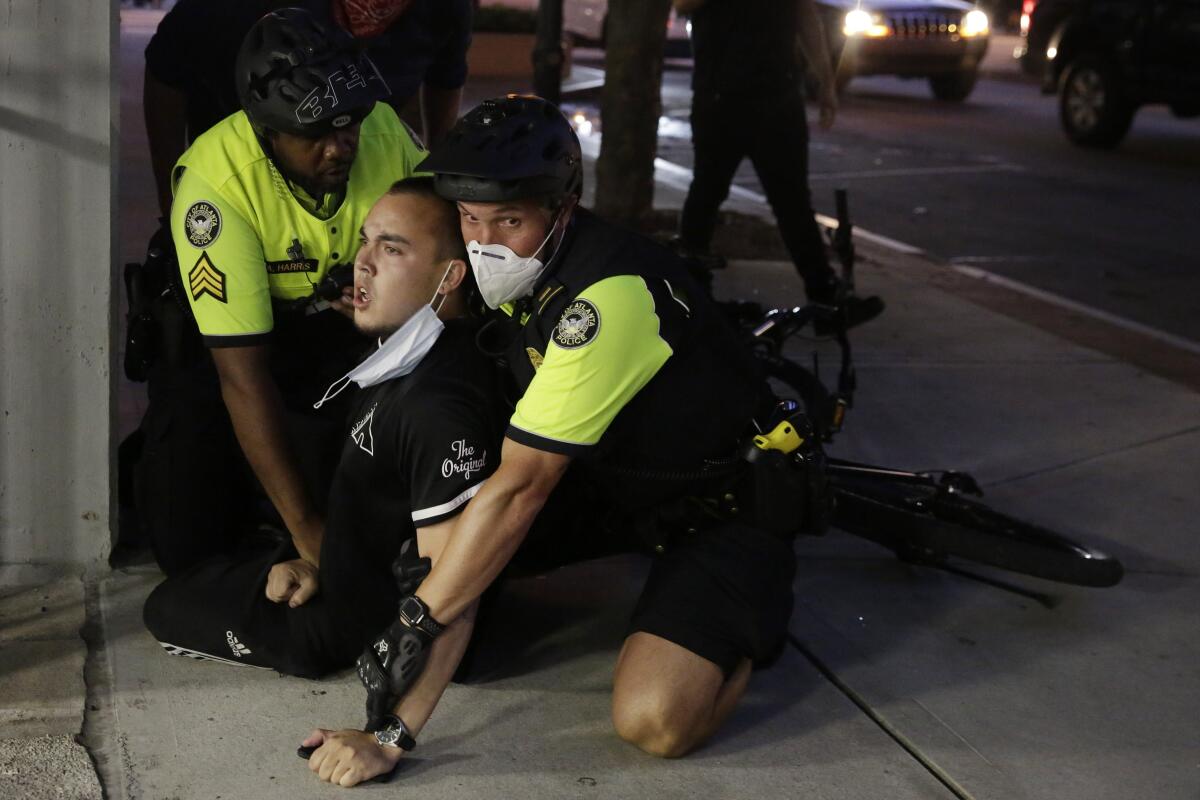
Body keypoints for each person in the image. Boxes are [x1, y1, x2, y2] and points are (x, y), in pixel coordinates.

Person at [299, 95, 828, 787]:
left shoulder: (606, 301)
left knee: (654, 720)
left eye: (510, 221)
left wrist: (397, 709)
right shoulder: (515, 264)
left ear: (562, 210)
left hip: (716, 507)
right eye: (470, 220)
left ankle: (746, 625)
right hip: (613, 482)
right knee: (439, 552)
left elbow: (518, 491)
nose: (486, 243)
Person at [142, 177, 502, 681]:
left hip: (343, 621)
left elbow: (444, 583)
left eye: (392, 249)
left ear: (449, 277)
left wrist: (388, 731)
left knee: (166, 605)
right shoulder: (423, 353)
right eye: (364, 240)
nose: (364, 262)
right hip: (338, 569)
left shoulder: (437, 404)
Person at [132, 8, 427, 575]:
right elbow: (242, 377)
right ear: (268, 129)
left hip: (340, 339)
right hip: (227, 356)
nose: (341, 146)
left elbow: (445, 273)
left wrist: (387, 304)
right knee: (188, 550)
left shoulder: (386, 135)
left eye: (349, 124)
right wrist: (309, 533)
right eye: (316, 134)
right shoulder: (215, 187)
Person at [143, 0, 472, 216]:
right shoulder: (229, 13)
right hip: (241, 182)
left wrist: (440, 182)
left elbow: (446, 78)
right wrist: (173, 202)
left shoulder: (442, 9)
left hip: (349, 190)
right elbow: (165, 69)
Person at [671, 0, 883, 327]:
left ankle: (824, 295)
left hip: (777, 96)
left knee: (792, 200)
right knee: (708, 191)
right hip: (721, 96)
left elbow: (805, 16)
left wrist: (826, 81)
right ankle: (692, 290)